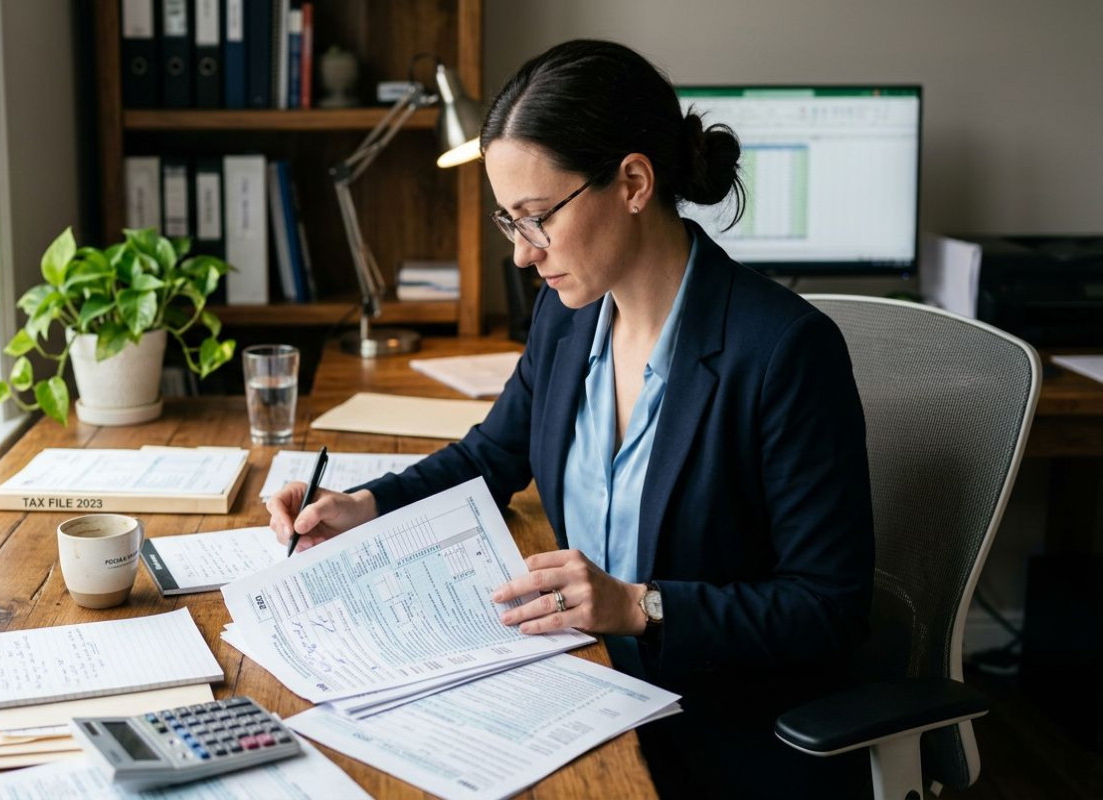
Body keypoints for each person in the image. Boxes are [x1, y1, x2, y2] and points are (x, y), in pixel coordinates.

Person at [267, 39, 874, 799]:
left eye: (537, 218)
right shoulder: (568, 315)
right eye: (509, 223)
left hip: (710, 731)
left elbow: (829, 610)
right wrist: (366, 505)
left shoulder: (784, 351)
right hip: (574, 689)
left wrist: (638, 605)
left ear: (632, 182)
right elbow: (492, 455)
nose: (524, 256)